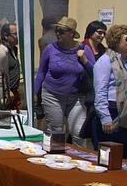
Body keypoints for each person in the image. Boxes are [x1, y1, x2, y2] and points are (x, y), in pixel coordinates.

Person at [34, 17, 94, 147]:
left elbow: (95, 72)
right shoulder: (50, 49)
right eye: (57, 30)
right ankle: (54, 159)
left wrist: (84, 61)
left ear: (71, 33)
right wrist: (35, 93)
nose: (57, 33)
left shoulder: (84, 49)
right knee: (56, 131)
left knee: (78, 132)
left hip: (76, 97)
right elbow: (41, 72)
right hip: (52, 94)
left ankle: (80, 160)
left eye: (61, 31)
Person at [93, 24, 127, 160]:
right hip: (112, 113)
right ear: (117, 40)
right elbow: (100, 91)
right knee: (109, 159)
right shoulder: (105, 61)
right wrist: (105, 118)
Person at [78, 20, 107, 139]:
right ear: (91, 32)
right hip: (82, 91)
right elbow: (95, 71)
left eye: (104, 33)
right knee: (81, 125)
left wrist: (86, 61)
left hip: (96, 90)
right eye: (99, 32)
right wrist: (85, 62)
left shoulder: (103, 50)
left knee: (87, 124)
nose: (102, 36)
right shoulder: (82, 47)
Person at [0, 23, 21, 110]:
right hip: (6, 93)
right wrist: (6, 91)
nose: (18, 37)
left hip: (14, 91)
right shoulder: (2, 51)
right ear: (6, 36)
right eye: (15, 34)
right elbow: (0, 73)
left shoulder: (14, 49)